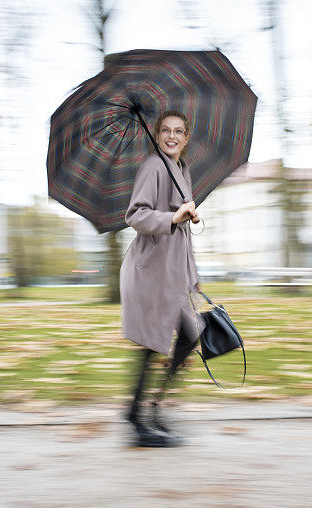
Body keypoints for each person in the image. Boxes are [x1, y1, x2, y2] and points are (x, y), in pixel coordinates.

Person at [120, 110, 204, 447]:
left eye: (179, 131)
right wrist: (173, 215)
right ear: (156, 135)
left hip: (173, 275)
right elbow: (136, 215)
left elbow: (181, 233)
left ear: (186, 138)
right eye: (166, 130)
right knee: (151, 344)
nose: (172, 136)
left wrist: (193, 277)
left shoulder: (182, 170)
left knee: (190, 336)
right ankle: (139, 420)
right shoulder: (153, 166)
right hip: (149, 272)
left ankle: (151, 409)